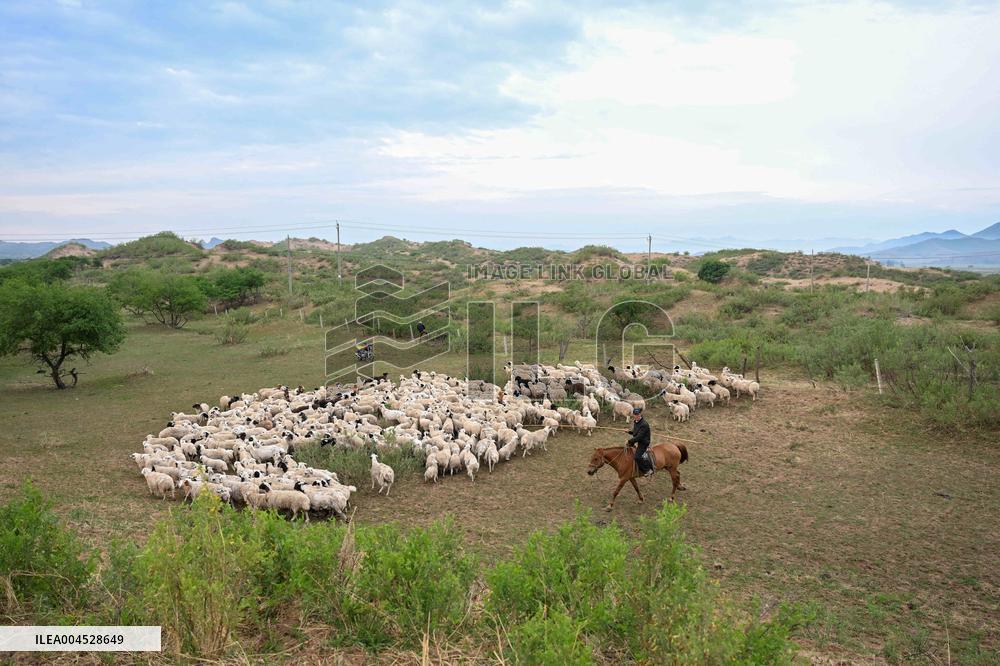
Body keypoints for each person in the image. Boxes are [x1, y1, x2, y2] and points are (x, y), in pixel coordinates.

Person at [627, 406, 653, 476]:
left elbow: (639, 436)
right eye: (635, 414)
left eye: (637, 414)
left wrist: (630, 441)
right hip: (639, 440)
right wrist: (629, 432)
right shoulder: (636, 421)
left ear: (640, 414)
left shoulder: (644, 424)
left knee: (637, 457)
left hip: (644, 442)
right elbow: (636, 432)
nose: (636, 416)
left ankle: (647, 470)